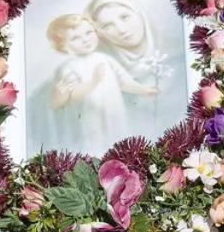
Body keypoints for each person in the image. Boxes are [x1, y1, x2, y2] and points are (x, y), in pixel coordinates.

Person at [44, 13, 157, 154]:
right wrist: (93, 82)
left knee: (119, 139)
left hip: (114, 111)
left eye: (88, 33)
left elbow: (123, 81)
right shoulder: (69, 67)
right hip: (90, 115)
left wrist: (143, 90)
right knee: (96, 145)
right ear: (62, 46)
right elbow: (74, 95)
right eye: (75, 38)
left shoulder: (103, 59)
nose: (85, 40)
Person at [87, 0, 173, 140]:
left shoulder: (176, 53)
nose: (121, 29)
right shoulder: (104, 73)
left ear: (139, 14)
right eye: (107, 26)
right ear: (100, 34)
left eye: (125, 17)